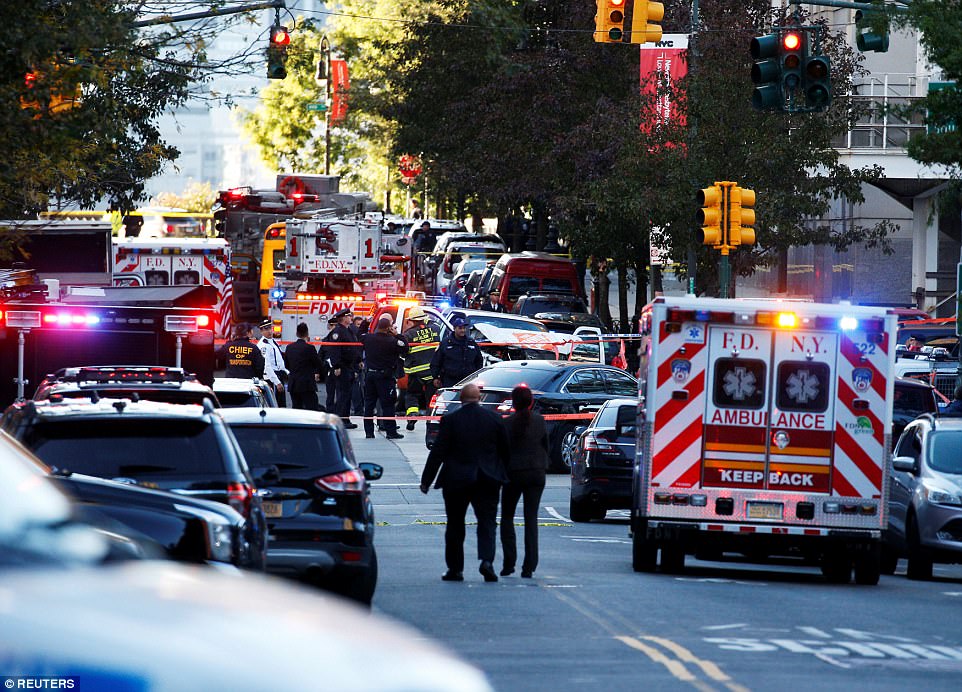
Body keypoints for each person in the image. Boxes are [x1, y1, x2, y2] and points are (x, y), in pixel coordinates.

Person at [420, 383, 509, 583]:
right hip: (487, 479)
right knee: (487, 522)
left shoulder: (451, 420)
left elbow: (438, 452)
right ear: (479, 398)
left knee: (455, 524)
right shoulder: (494, 419)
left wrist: (427, 480)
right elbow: (505, 450)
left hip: (456, 479)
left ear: (461, 399)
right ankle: (487, 561)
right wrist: (502, 475)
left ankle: (455, 568)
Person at [499, 386, 549, 579]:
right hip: (536, 472)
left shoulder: (506, 423)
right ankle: (529, 565)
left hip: (513, 473)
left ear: (513, 402)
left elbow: (502, 451)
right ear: (531, 402)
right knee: (531, 518)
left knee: (507, 517)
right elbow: (546, 446)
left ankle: (509, 562)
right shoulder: (539, 421)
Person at [361, 316, 409, 440]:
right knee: (388, 405)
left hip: (370, 375)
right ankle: (391, 431)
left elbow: (359, 335)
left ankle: (369, 432)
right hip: (385, 377)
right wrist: (397, 335)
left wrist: (365, 323)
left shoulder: (368, 338)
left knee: (369, 404)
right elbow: (405, 348)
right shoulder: (392, 341)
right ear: (389, 328)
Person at [402, 307, 440, 431]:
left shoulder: (408, 335)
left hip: (416, 372)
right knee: (431, 398)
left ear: (412, 320)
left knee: (412, 395)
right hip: (432, 372)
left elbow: (403, 353)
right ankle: (430, 422)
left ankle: (412, 415)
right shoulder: (435, 329)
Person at [328, 308, 361, 429]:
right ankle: (341, 420)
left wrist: (358, 361)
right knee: (343, 394)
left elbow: (353, 347)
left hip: (350, 366)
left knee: (347, 394)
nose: (351, 318)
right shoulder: (337, 332)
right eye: (349, 316)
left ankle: (345, 419)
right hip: (342, 367)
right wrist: (336, 366)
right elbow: (335, 350)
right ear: (343, 318)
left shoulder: (349, 330)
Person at [431, 316, 483, 389]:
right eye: (460, 328)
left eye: (464, 328)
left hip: (468, 380)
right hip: (450, 380)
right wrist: (435, 377)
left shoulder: (471, 342)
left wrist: (476, 375)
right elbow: (436, 361)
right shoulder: (446, 343)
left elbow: (479, 360)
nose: (463, 330)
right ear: (454, 328)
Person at [284, 322, 322, 410]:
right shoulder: (310, 348)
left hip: (293, 384)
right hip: (307, 384)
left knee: (297, 408)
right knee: (311, 408)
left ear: (297, 333)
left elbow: (286, 365)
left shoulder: (289, 347)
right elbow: (318, 364)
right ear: (307, 333)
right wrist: (315, 372)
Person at [257, 321, 289, 407]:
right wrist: (277, 382)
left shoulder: (272, 341)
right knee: (275, 405)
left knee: (281, 404)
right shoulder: (263, 345)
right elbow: (267, 366)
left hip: (278, 375)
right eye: (266, 329)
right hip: (271, 378)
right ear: (261, 331)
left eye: (270, 328)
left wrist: (287, 372)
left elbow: (279, 360)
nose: (269, 331)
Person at [321, 316, 338, 413]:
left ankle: (339, 411)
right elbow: (321, 355)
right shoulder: (326, 340)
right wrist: (318, 371)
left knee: (340, 393)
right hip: (329, 370)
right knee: (330, 392)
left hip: (340, 369)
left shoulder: (341, 338)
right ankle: (330, 410)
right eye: (332, 326)